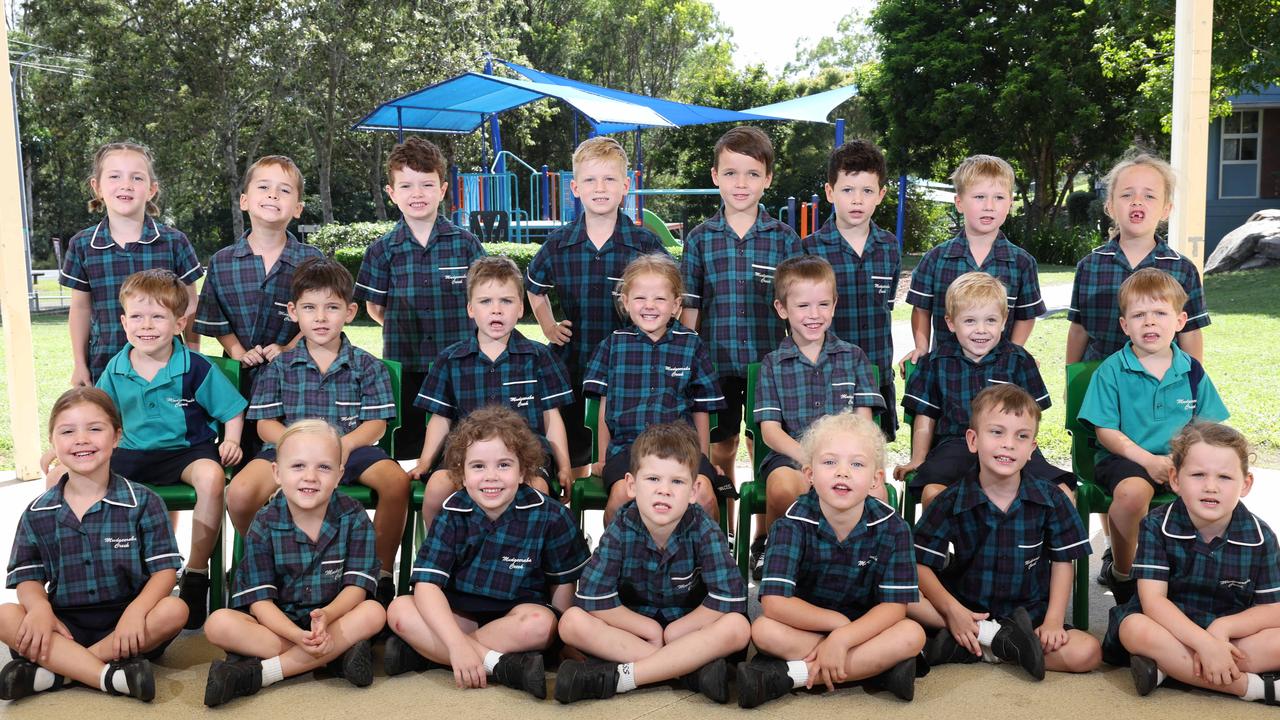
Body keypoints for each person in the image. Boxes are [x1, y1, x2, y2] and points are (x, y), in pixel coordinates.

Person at [226, 257, 410, 606]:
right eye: (310, 308)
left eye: (332, 307)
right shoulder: (280, 366)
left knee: (396, 482)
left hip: (351, 449)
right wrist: (296, 448)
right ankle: (273, 563)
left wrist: (343, 445)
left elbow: (376, 423)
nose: (321, 317)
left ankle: (379, 573)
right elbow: (265, 423)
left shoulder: (367, 366)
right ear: (294, 312)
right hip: (287, 451)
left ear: (351, 311)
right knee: (239, 492)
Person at [385, 406, 590, 698]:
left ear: (523, 472)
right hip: (461, 611)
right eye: (478, 466)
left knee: (542, 626)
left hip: (516, 612)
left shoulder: (551, 515)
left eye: (504, 465)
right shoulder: (452, 511)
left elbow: (563, 581)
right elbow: (428, 585)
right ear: (462, 475)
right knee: (399, 610)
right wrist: (456, 643)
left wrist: (564, 639)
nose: (491, 477)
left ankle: (426, 654)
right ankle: (502, 665)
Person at [0, 388, 188, 702]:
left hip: (127, 621)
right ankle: (108, 675)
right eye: (68, 431)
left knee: (174, 609)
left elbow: (165, 572)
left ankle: (59, 670)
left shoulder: (144, 501)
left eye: (95, 429)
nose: (82, 439)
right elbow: (28, 576)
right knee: (6, 616)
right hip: (63, 623)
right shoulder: (37, 512)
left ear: (116, 437)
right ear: (54, 442)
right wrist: (38, 609)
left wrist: (136, 611)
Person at [909, 385, 1101, 680]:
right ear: (973, 440)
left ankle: (976, 645)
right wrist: (953, 611)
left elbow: (1064, 562)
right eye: (997, 432)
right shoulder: (950, 500)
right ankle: (1000, 643)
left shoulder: (1052, 499)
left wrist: (1052, 621)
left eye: (1021, 436)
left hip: (1027, 615)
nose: (1008, 444)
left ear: (1032, 449)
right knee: (899, 599)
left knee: (1087, 652)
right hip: (964, 608)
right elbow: (919, 563)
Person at [555, 423, 750, 704]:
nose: (664, 491)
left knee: (738, 627)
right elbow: (592, 596)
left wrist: (674, 632)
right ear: (632, 485)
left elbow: (730, 597)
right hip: (634, 630)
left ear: (694, 491)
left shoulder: (704, 528)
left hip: (688, 629)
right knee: (571, 622)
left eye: (677, 482)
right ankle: (689, 671)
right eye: (653, 479)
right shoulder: (621, 527)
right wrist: (650, 630)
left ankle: (620, 677)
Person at [739, 412, 923, 708]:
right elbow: (775, 602)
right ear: (809, 474)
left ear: (876, 479)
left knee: (912, 634)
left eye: (857, 464)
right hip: (806, 624)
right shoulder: (791, 524)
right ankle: (876, 672)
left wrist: (845, 637)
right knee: (762, 631)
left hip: (865, 627)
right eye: (829, 462)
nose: (843, 472)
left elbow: (893, 608)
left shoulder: (894, 527)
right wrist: (837, 627)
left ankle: (789, 676)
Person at [96, 269, 247, 628]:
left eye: (158, 316)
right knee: (70, 479)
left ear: (179, 323)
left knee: (212, 478)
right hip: (131, 455)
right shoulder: (115, 369)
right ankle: (111, 575)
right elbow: (95, 411)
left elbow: (233, 408)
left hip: (186, 452)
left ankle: (195, 573)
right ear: (124, 321)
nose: (146, 325)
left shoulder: (194, 366)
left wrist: (232, 440)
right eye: (137, 316)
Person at [203, 420, 387, 707]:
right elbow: (259, 602)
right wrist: (296, 636)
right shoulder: (264, 523)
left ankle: (261, 673)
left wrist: (326, 615)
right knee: (218, 624)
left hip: (331, 620)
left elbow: (357, 587)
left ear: (339, 475)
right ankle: (334, 659)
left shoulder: (354, 517)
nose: (310, 477)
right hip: (277, 626)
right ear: (277, 472)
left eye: (324, 467)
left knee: (374, 612)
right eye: (298, 466)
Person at [1078, 268, 1229, 604]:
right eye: (1139, 315)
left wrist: (1194, 462)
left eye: (1160, 313)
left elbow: (1209, 428)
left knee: (1217, 490)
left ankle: (1195, 577)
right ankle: (1124, 572)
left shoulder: (1191, 370)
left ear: (1179, 320)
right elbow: (1105, 431)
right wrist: (1148, 460)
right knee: (1132, 495)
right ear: (1124, 325)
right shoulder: (1113, 370)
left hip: (1180, 460)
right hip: (1126, 459)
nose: (1149, 323)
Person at [1105, 422, 1280, 706]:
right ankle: (1254, 688)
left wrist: (1222, 630)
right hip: (1169, 629)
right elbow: (1153, 602)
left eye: (1224, 477)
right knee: (1133, 628)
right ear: (1175, 479)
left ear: (1245, 484)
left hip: (1230, 638)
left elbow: (1273, 609)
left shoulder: (1261, 537)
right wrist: (1204, 645)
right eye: (1198, 475)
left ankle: (1169, 670)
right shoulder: (1155, 526)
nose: (1211, 486)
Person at [527, 137, 667, 478]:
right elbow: (533, 288)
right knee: (572, 457)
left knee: (623, 461)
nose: (599, 188)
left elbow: (667, 296)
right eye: (590, 180)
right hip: (574, 362)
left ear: (626, 185)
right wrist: (548, 326)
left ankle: (618, 528)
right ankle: (571, 527)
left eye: (609, 180)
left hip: (630, 368)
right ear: (575, 187)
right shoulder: (560, 243)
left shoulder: (645, 244)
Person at [410, 257, 574, 528]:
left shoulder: (539, 357)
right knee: (437, 489)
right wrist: (425, 462)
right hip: (466, 453)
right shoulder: (450, 359)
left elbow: (551, 418)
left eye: (506, 301)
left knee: (536, 492)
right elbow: (440, 418)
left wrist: (565, 466)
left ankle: (522, 562)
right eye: (486, 302)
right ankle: (439, 556)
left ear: (521, 308)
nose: (496, 310)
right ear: (471, 309)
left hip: (526, 455)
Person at [750, 255, 886, 579]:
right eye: (803, 306)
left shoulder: (854, 357)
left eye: (823, 304)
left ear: (835, 305)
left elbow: (864, 424)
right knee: (785, 487)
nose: (814, 315)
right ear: (782, 309)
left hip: (846, 456)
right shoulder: (772, 363)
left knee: (876, 492)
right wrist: (809, 459)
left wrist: (844, 462)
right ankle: (780, 551)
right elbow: (770, 431)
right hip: (791, 455)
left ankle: (861, 564)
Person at [680, 126, 802, 486]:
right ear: (716, 176)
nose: (741, 183)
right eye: (731, 173)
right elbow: (690, 305)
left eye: (752, 174)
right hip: (716, 362)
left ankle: (763, 530)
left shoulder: (784, 239)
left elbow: (796, 307)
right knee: (722, 445)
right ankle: (725, 526)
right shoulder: (701, 238)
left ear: (768, 179)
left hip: (769, 363)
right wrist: (687, 357)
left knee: (764, 443)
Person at [894, 272, 1072, 509]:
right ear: (950, 322)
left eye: (990, 320)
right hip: (956, 445)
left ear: (1004, 320)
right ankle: (939, 545)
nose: (981, 330)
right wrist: (917, 459)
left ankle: (1045, 546)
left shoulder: (1018, 360)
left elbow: (1032, 416)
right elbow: (925, 416)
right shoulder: (936, 363)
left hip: (1012, 445)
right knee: (933, 493)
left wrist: (1024, 446)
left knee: (1062, 492)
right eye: (970, 321)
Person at [356, 137, 485, 461]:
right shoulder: (382, 250)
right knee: (405, 446)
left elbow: (484, 298)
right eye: (407, 185)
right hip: (405, 364)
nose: (417, 194)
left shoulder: (465, 244)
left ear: (442, 189)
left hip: (459, 365)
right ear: (392, 193)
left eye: (427, 184)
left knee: (463, 447)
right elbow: (375, 306)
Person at [583, 253, 727, 524]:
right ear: (626, 302)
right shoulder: (613, 345)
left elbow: (701, 409)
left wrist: (703, 458)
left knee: (705, 496)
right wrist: (602, 458)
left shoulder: (692, 345)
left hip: (682, 449)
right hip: (628, 449)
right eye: (640, 298)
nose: (649, 306)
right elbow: (603, 407)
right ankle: (617, 561)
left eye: (660, 299)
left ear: (676, 306)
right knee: (620, 497)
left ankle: (706, 561)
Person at [194, 155, 323, 458]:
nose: (273, 195)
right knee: (240, 460)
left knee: (292, 456)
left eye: (284, 190)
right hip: (237, 379)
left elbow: (323, 315)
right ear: (244, 200)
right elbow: (215, 318)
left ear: (298, 208)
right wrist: (239, 352)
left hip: (296, 377)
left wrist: (289, 347)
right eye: (263, 187)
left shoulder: (311, 260)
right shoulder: (223, 261)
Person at [59, 141, 202, 385]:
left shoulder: (174, 241)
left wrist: (193, 353)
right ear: (97, 187)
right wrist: (80, 364)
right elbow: (81, 309)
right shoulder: (82, 244)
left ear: (151, 189)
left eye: (137, 178)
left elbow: (190, 305)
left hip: (169, 369)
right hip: (105, 367)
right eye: (115, 176)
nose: (126, 185)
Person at [900, 154, 1043, 369]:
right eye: (979, 197)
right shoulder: (935, 259)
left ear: (1010, 204)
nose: (989, 206)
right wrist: (921, 347)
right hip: (945, 371)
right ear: (959, 202)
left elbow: (1025, 315)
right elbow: (921, 309)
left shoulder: (1022, 263)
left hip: (999, 373)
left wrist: (1014, 351)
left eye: (999, 198)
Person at [1066, 151, 1208, 365]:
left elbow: (1191, 334)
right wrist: (1072, 380)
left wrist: (1194, 385)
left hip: (1161, 383)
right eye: (1127, 195)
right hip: (1099, 382)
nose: (1137, 202)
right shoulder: (1090, 266)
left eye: (1149, 196)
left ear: (1166, 209)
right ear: (1110, 207)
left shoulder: (1183, 269)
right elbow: (1078, 330)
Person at [802, 139, 901, 441]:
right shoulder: (809, 250)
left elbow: (889, 305)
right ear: (830, 193)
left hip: (876, 374)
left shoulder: (889, 248)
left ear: (881, 195)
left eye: (867, 191)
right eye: (847, 190)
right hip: (826, 377)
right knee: (827, 456)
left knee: (873, 457)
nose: (857, 200)